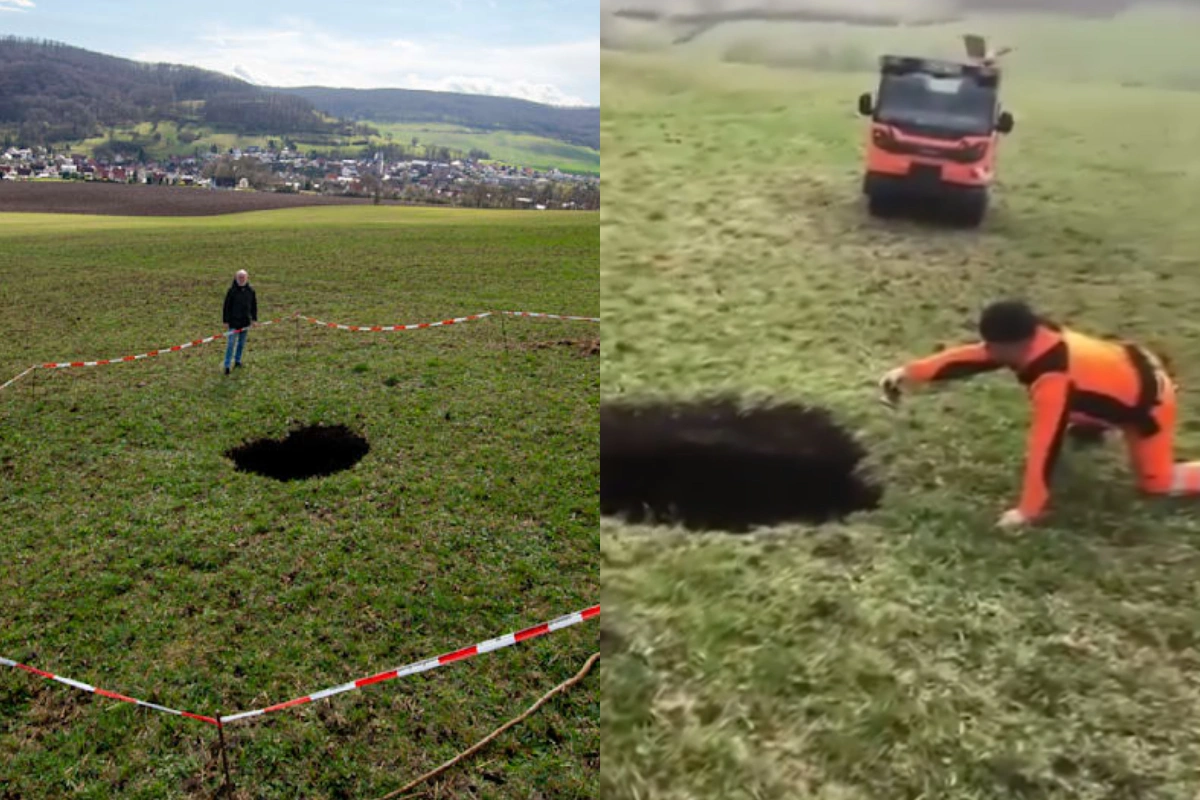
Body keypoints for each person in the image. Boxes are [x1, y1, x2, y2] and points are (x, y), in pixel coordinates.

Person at [878, 299, 1200, 530]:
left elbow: (1044, 447)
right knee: (1080, 405)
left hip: (1149, 401)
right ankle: (1093, 424)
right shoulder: (1037, 335)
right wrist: (909, 373)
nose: (987, 352)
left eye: (994, 347)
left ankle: (1104, 426)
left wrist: (1027, 510)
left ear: (1016, 344)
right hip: (1123, 366)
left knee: (1157, 483)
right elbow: (973, 358)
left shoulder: (1053, 382)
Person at [221, 269, 258, 375]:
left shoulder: (251, 291)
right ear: (236, 278)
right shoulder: (231, 291)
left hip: (245, 322)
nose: (241, 279)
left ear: (247, 278)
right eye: (239, 277)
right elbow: (226, 307)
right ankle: (227, 365)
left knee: (241, 343)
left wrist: (254, 319)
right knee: (231, 344)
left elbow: (254, 306)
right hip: (233, 322)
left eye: (243, 277)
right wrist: (225, 321)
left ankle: (237, 361)